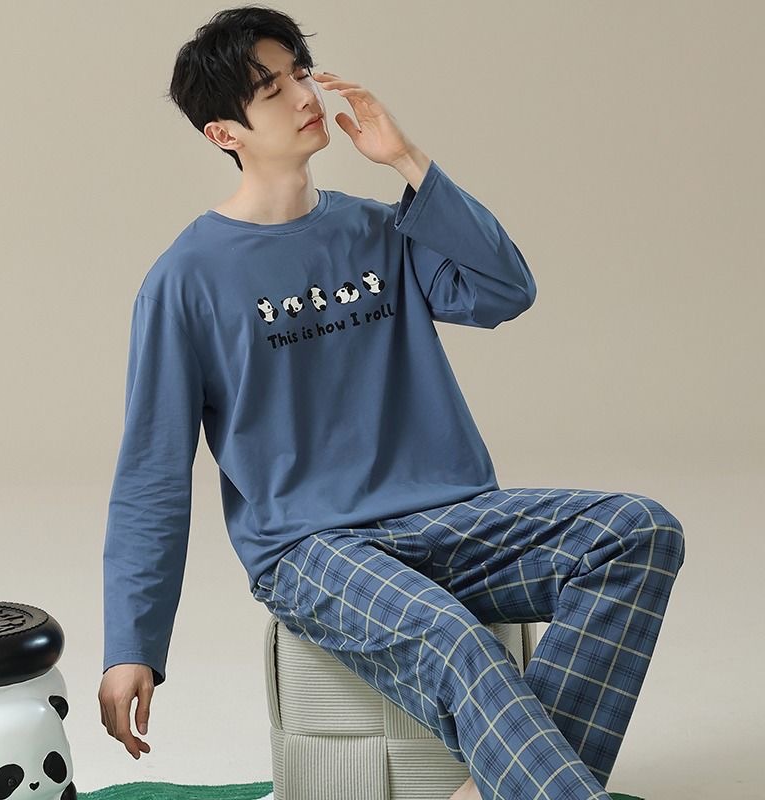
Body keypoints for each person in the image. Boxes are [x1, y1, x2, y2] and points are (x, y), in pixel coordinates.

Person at [97, 6, 686, 800]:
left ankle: (492, 789)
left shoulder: (381, 230)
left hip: (448, 516)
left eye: (301, 73)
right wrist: (132, 643)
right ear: (223, 133)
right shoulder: (185, 280)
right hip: (310, 547)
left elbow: (505, 291)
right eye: (271, 90)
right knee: (456, 642)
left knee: (639, 531)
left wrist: (409, 161)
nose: (303, 96)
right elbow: (153, 471)